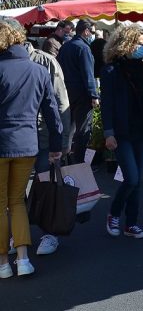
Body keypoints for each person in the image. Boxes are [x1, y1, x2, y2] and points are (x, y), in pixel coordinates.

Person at [0, 20, 63, 278]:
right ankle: (23, 259)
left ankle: (4, 262)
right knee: (16, 201)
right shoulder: (38, 71)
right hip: (27, 144)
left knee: (1, 203)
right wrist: (57, 146)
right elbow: (52, 112)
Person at [100, 26, 143, 239]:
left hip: (140, 130)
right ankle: (114, 214)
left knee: (137, 181)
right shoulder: (110, 70)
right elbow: (106, 103)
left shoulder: (139, 68)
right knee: (132, 179)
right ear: (125, 44)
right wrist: (108, 133)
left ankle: (131, 223)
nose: (141, 48)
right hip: (121, 131)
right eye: (137, 43)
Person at [22, 35, 71, 257]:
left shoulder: (45, 61)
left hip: (43, 137)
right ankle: (19, 233)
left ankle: (50, 232)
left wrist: (62, 140)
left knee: (46, 185)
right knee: (16, 191)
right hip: (19, 138)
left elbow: (61, 101)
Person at [57, 20, 98, 164]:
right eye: (91, 32)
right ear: (86, 31)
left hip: (66, 93)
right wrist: (94, 94)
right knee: (82, 131)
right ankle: (79, 165)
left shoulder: (65, 47)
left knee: (67, 129)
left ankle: (64, 160)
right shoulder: (83, 48)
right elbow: (88, 74)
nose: (92, 35)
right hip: (82, 95)